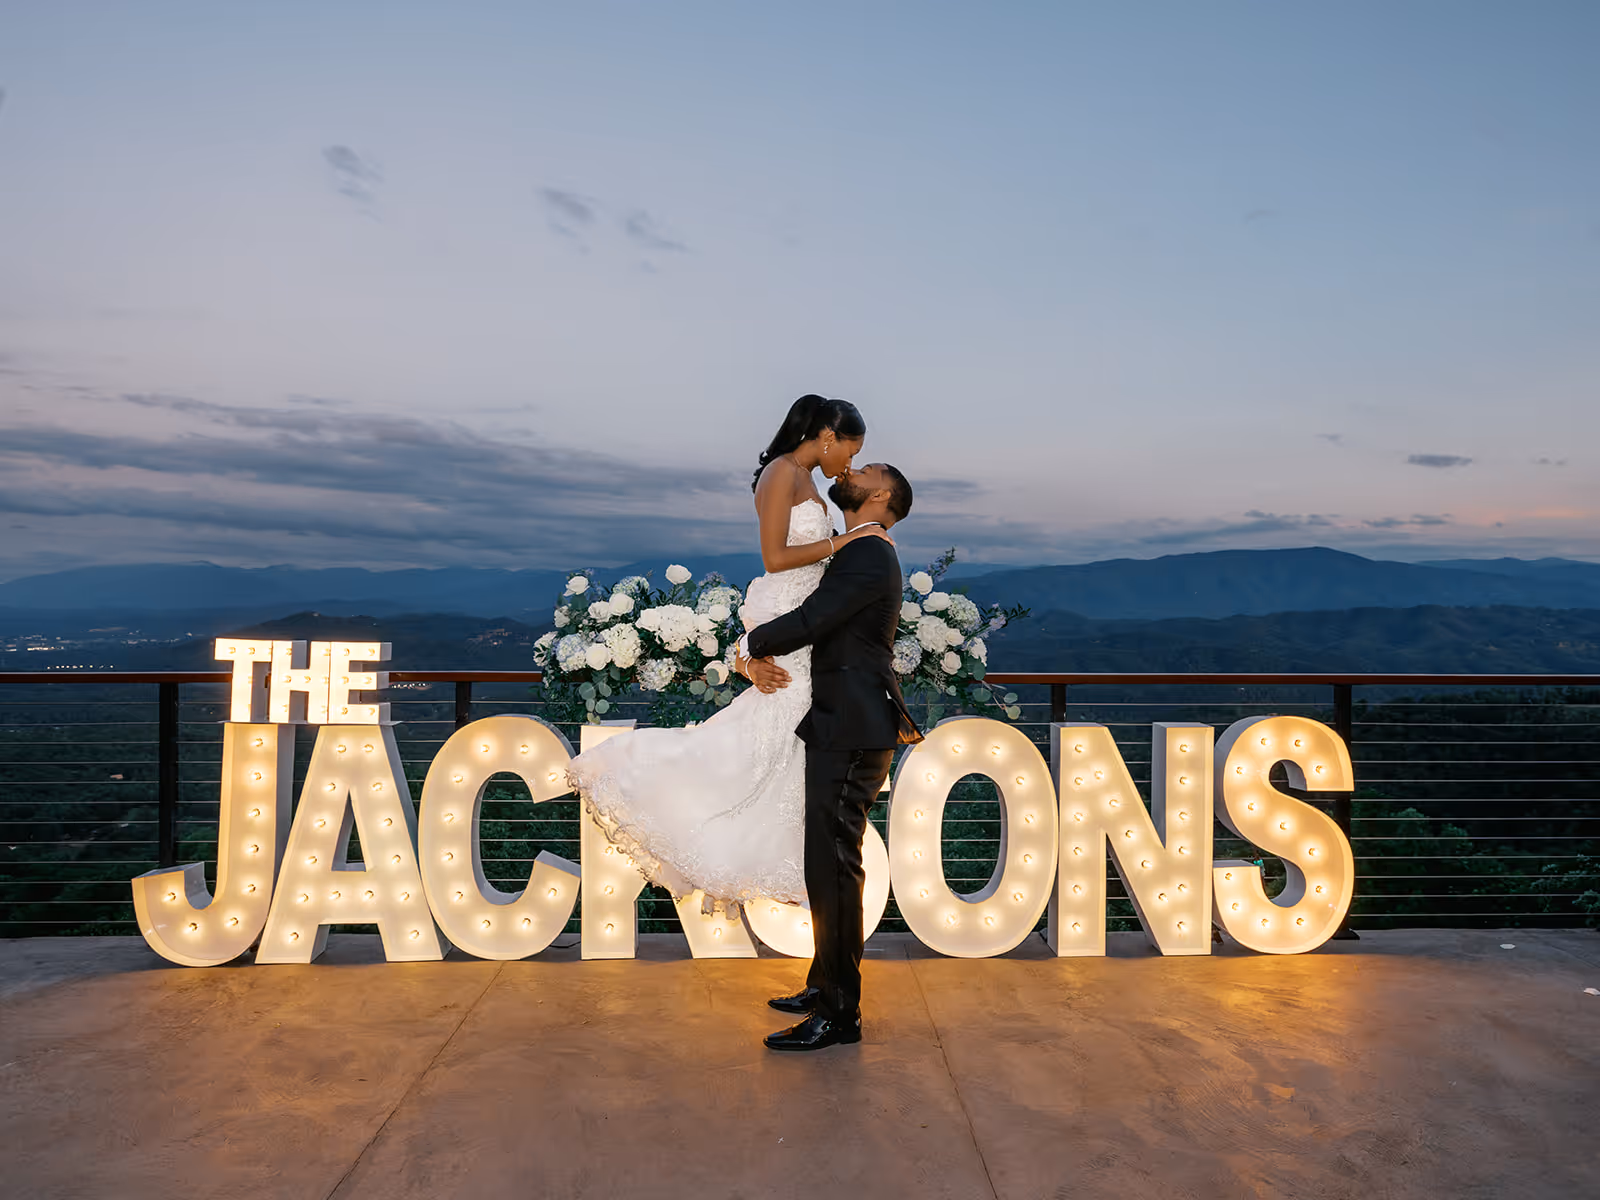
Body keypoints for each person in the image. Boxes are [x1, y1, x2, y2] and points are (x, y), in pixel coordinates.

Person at [565, 395, 893, 909]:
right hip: (787, 616)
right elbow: (775, 556)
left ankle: (790, 860)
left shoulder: (811, 485)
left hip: (804, 630)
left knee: (785, 746)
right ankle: (673, 800)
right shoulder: (781, 473)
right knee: (760, 738)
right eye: (851, 451)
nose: (848, 464)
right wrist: (843, 544)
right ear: (828, 437)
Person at [739, 461, 922, 1052]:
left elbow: (814, 621)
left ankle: (841, 1014)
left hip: (853, 728)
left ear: (882, 495)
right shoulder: (861, 551)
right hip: (843, 725)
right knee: (826, 863)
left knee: (836, 868)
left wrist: (746, 647)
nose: (853, 469)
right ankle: (825, 986)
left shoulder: (870, 554)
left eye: (865, 469)